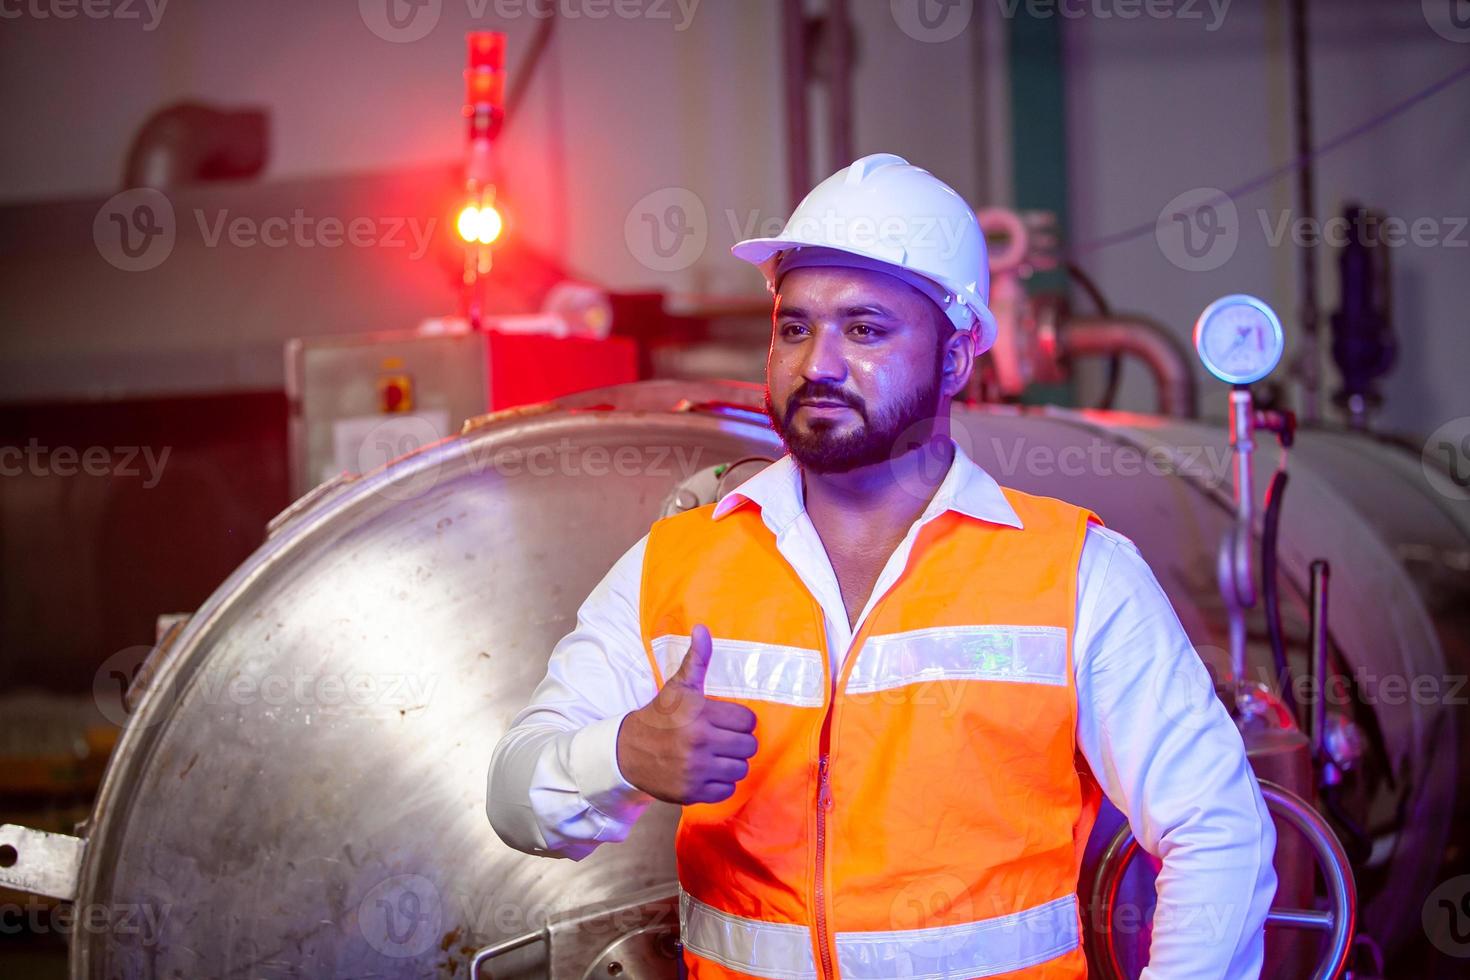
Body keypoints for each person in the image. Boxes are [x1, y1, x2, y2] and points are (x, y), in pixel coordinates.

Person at [488, 153, 1277, 979]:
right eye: (795, 327)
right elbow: (513, 796)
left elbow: (1217, 830)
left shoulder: (1075, 575)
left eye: (865, 329)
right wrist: (619, 757)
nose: (818, 364)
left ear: (957, 353)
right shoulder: (677, 563)